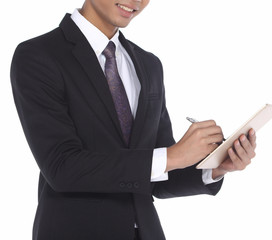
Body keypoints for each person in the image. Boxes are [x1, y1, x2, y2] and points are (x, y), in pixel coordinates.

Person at [10, 0, 257, 239]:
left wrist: (215, 166)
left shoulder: (149, 65)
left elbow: (157, 176)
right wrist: (172, 156)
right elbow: (62, 167)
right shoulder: (38, 56)